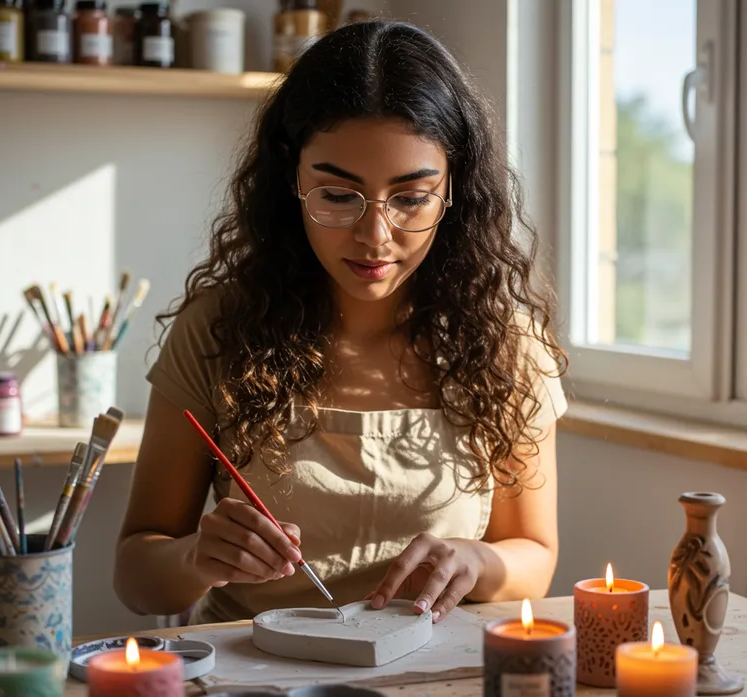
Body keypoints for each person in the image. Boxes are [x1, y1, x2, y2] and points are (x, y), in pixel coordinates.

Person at [114, 19, 568, 626]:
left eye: (410, 198)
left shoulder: (505, 344)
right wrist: (199, 558)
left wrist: (479, 563)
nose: (375, 237)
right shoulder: (217, 329)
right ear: (291, 179)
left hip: (431, 680)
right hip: (253, 685)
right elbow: (137, 578)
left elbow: (535, 556)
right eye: (337, 196)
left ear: (454, 190)